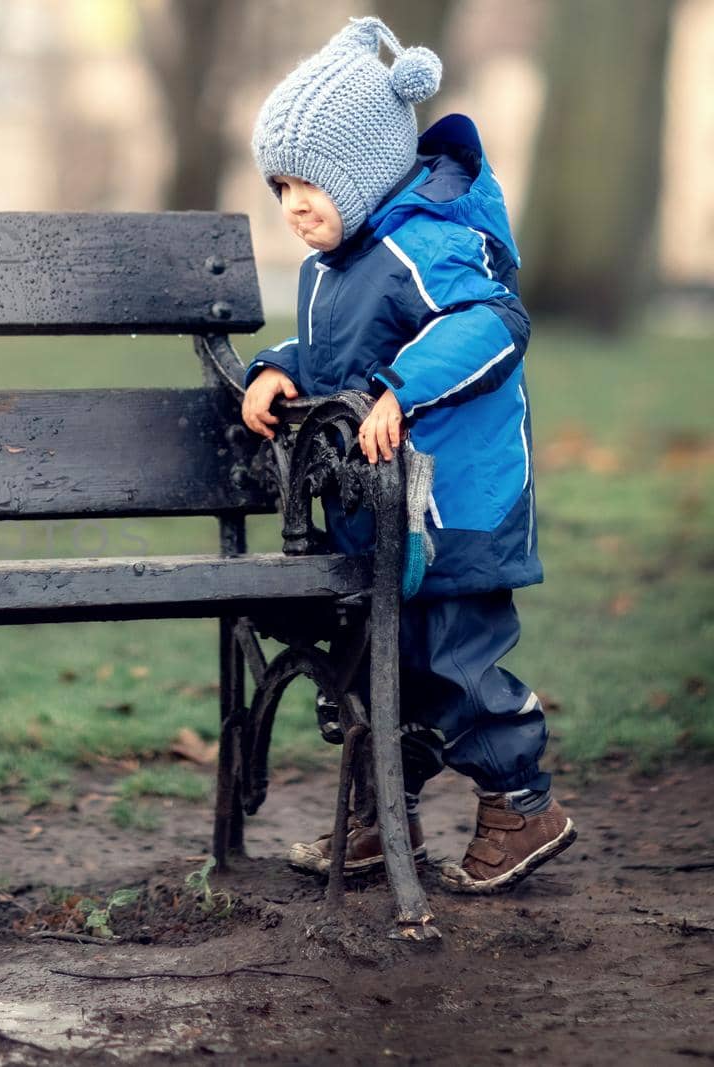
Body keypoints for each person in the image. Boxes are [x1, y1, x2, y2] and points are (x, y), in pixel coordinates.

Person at [240, 17, 576, 893]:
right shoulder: (330, 269)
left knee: (453, 664)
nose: (294, 205)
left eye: (310, 183)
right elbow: (333, 358)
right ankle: (383, 814)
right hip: (382, 511)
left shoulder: (422, 244)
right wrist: (280, 367)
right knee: (374, 664)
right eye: (280, 185)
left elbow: (491, 325)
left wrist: (401, 389)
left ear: (365, 169)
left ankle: (521, 804)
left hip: (455, 504)